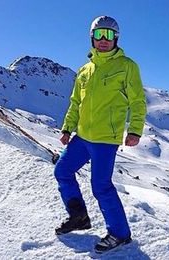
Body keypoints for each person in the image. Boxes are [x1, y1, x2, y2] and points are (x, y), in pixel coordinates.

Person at [53, 15, 146, 253]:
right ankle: (79, 217)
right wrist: (67, 128)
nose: (103, 40)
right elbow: (75, 102)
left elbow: (137, 101)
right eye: (98, 35)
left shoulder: (127, 66)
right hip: (82, 137)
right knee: (62, 171)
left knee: (101, 186)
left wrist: (135, 129)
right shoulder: (85, 70)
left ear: (116, 38)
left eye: (108, 35)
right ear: (91, 38)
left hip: (106, 139)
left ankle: (120, 233)